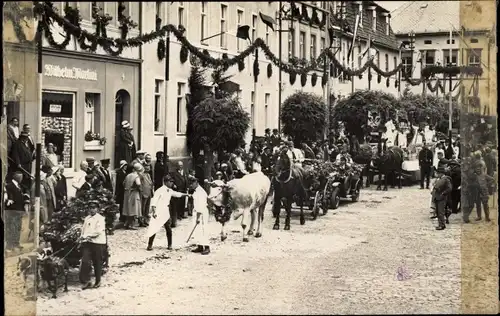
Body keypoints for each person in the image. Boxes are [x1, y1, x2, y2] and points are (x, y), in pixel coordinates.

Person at [146, 175, 190, 251]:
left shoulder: (170, 190)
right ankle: (149, 245)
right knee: (154, 228)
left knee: (168, 229)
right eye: (170, 182)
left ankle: (170, 245)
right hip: (158, 211)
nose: (172, 183)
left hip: (165, 211)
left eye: (172, 182)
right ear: (166, 182)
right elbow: (154, 202)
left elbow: (177, 194)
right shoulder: (159, 190)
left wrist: (186, 195)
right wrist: (154, 212)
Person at [79, 201, 106, 290]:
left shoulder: (100, 219)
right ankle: (87, 281)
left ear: (97, 209)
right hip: (88, 243)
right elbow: (84, 229)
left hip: (98, 243)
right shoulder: (87, 218)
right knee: (85, 261)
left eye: (94, 208)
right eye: (90, 208)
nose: (92, 209)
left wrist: (87, 236)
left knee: (97, 262)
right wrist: (82, 237)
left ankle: (98, 281)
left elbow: (98, 231)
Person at [5, 171, 29, 252]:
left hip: (19, 210)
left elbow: (23, 196)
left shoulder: (20, 186)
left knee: (18, 228)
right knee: (12, 228)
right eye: (20, 177)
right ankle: (10, 245)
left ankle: (16, 243)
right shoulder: (9, 186)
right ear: (16, 177)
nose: (21, 179)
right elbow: (9, 198)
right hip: (12, 211)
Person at [188, 176, 211, 255]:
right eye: (190, 184)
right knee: (198, 230)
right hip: (197, 211)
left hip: (202, 212)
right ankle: (200, 246)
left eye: (192, 183)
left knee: (204, 229)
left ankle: (207, 247)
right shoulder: (196, 191)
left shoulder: (201, 192)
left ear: (196, 183)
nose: (191, 185)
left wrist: (198, 217)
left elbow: (200, 206)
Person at [122, 163, 143, 230]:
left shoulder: (128, 175)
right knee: (134, 208)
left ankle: (127, 223)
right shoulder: (136, 176)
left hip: (127, 193)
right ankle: (132, 224)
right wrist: (136, 188)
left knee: (128, 208)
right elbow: (138, 184)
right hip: (134, 193)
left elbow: (123, 183)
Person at [431, 166, 453, 230]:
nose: (437, 174)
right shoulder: (440, 179)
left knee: (441, 212)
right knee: (438, 212)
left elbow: (449, 188)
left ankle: (442, 225)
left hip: (441, 198)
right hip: (437, 197)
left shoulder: (446, 179)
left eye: (438, 173)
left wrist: (443, 193)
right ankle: (440, 224)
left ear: (441, 173)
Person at [170, 161, 188, 226]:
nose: (180, 166)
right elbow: (171, 180)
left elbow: (186, 179)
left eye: (181, 165)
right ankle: (178, 215)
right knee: (178, 202)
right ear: (177, 166)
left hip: (184, 189)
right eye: (179, 165)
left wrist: (187, 187)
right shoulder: (174, 173)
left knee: (183, 202)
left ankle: (181, 214)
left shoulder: (185, 172)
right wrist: (173, 185)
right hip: (178, 189)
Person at [114, 160, 128, 225]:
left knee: (123, 203)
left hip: (124, 190)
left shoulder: (125, 172)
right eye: (125, 166)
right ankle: (122, 217)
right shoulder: (119, 173)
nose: (126, 167)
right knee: (122, 203)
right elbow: (119, 182)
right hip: (121, 190)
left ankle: (123, 216)